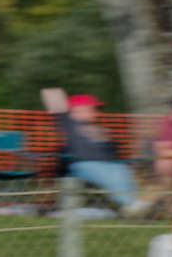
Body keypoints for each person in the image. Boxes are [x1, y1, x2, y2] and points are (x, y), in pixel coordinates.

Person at [40, 87, 150, 217]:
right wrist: (62, 102)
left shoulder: (101, 130)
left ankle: (132, 204)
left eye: (95, 110)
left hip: (109, 165)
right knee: (104, 172)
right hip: (82, 164)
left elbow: (113, 153)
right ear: (75, 111)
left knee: (123, 170)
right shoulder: (69, 124)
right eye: (91, 109)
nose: (96, 113)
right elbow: (50, 94)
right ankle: (129, 205)